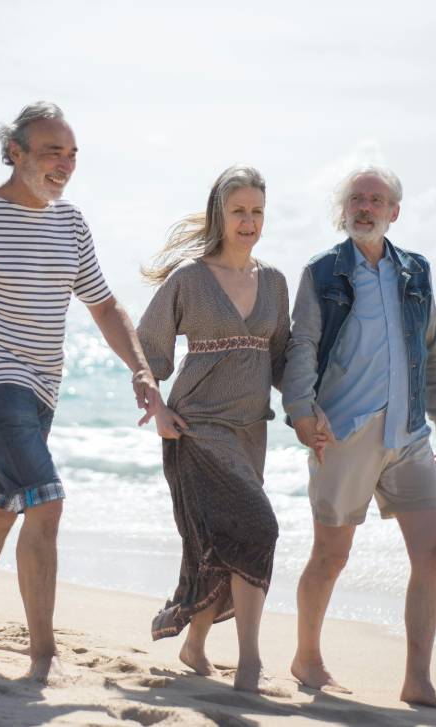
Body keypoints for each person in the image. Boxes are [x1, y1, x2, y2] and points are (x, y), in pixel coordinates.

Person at [0, 101, 160, 683]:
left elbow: (103, 303)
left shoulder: (70, 222)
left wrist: (141, 371)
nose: (64, 165)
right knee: (47, 499)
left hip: (44, 387)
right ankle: (44, 654)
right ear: (14, 153)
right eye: (52, 151)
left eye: (71, 154)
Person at [281, 164, 436, 709]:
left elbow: (430, 347)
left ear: (393, 212)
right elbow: (301, 348)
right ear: (345, 211)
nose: (365, 207)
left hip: (409, 434)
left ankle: (418, 680)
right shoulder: (323, 272)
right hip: (344, 434)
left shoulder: (416, 271)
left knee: (434, 553)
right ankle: (307, 658)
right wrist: (301, 413)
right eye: (357, 199)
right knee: (330, 556)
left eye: (376, 199)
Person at [136, 165, 290, 692]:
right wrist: (156, 407)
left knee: (221, 544)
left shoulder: (273, 282)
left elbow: (284, 360)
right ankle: (250, 661)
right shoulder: (190, 279)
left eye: (257, 212)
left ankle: (195, 644)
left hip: (251, 434)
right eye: (239, 210)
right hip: (197, 431)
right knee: (258, 528)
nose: (248, 222)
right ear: (219, 215)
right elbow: (145, 348)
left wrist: (314, 410)